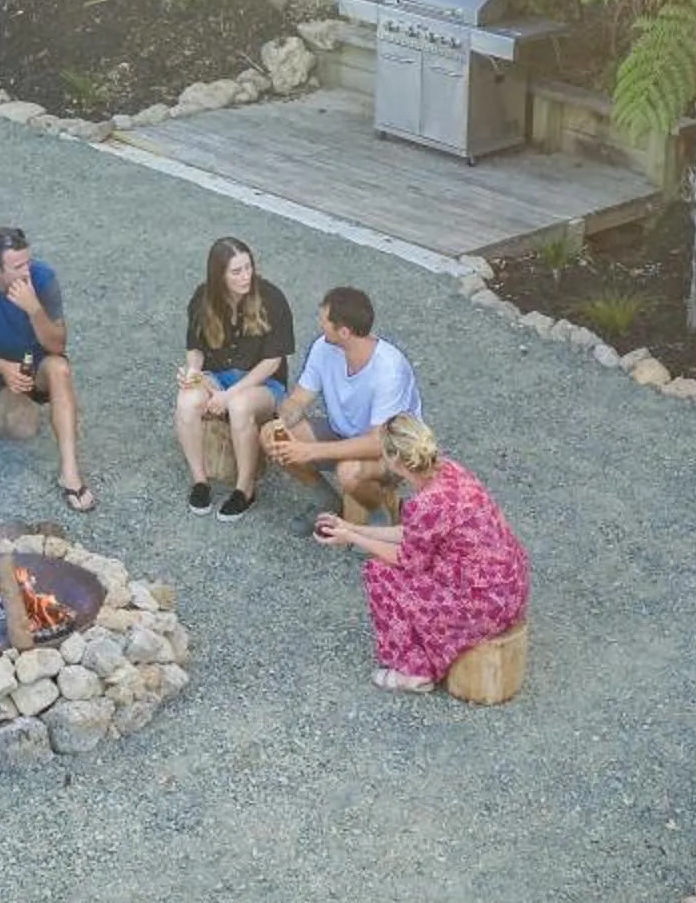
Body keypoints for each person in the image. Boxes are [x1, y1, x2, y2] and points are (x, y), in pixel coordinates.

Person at [314, 415, 530, 692]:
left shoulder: (425, 503)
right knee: (397, 567)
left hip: (482, 603)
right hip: (509, 588)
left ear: (394, 461)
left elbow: (407, 559)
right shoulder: (451, 471)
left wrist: (352, 537)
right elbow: (415, 533)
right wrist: (353, 527)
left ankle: (413, 671)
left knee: (379, 573)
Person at [0, 223, 95, 513]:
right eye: (17, 267)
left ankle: (70, 470)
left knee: (60, 370)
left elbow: (57, 345)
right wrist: (2, 367)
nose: (26, 271)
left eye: (28, 261)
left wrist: (34, 309)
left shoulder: (43, 278)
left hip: (34, 364)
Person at [264, 285, 420, 525]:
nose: (320, 324)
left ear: (345, 332)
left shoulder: (389, 370)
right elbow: (298, 399)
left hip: (392, 450)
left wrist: (310, 451)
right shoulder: (323, 347)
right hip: (343, 434)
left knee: (349, 470)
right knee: (273, 437)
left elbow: (377, 443)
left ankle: (378, 511)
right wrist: (280, 422)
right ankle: (327, 502)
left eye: (324, 320)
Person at [172, 235, 293, 517]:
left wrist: (229, 395)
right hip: (218, 374)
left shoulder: (272, 298)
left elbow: (273, 361)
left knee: (239, 407)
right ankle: (200, 481)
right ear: (219, 275)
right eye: (236, 271)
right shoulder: (204, 298)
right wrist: (193, 372)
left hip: (262, 383)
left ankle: (245, 489)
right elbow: (195, 348)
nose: (245, 276)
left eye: (248, 268)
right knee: (187, 400)